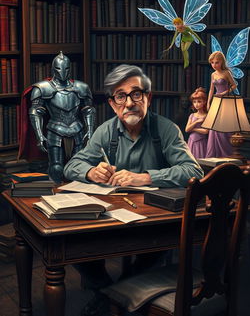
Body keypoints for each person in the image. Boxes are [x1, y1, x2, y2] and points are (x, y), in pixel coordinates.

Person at [64, 64, 204, 301]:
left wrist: (146, 177)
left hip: (154, 218)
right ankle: (106, 291)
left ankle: (122, 290)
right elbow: (71, 166)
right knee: (75, 243)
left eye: (135, 94)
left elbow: (194, 171)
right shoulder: (105, 131)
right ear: (112, 103)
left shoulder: (166, 129)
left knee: (156, 250)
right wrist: (90, 172)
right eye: (120, 96)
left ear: (148, 98)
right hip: (112, 217)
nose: (129, 103)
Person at [29, 51, 96, 184]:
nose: (63, 71)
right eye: (59, 68)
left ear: (70, 69)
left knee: (79, 166)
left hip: (77, 129)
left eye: (66, 68)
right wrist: (39, 135)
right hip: (55, 130)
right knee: (56, 166)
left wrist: (90, 130)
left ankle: (79, 193)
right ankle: (57, 193)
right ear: (53, 69)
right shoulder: (42, 88)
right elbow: (35, 111)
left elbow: (88, 109)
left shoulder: (81, 87)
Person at [205, 51, 237, 158]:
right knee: (213, 127)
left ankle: (225, 153)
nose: (214, 65)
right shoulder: (213, 74)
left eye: (216, 62)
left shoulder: (226, 73)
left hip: (225, 101)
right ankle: (213, 154)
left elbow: (234, 85)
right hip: (215, 101)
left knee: (223, 126)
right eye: (212, 63)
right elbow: (211, 89)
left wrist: (224, 93)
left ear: (222, 62)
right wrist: (208, 102)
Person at [185, 87, 208, 158]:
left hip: (201, 141)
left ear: (204, 102)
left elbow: (206, 131)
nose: (196, 104)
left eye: (199, 101)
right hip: (191, 140)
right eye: (194, 102)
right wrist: (196, 122)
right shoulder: (192, 115)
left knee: (201, 158)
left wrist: (193, 129)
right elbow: (187, 129)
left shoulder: (206, 116)